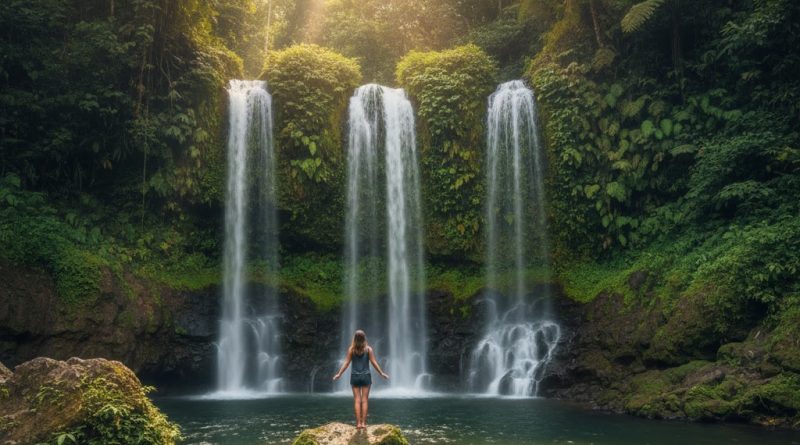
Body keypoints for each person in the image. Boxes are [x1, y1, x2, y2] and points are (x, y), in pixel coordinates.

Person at [333, 330, 389, 429]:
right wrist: (381, 373)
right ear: (364, 338)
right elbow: (374, 362)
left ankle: (358, 424)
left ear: (354, 338)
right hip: (366, 377)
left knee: (357, 400)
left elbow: (346, 363)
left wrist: (339, 374)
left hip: (355, 377)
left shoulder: (351, 349)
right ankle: (364, 423)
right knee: (365, 400)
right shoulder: (368, 349)